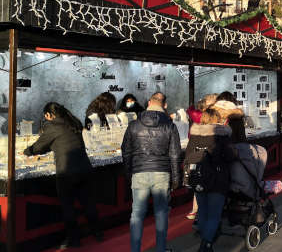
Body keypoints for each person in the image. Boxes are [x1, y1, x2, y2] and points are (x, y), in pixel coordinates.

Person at [23, 102, 102, 249]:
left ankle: (74, 239)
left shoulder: (52, 126)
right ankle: (97, 233)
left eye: (45, 117)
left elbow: (40, 146)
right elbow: (57, 144)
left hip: (67, 172)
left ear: (49, 115)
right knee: (88, 203)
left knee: (68, 207)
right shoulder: (73, 122)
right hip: (85, 169)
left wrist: (26, 152)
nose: (46, 119)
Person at [121, 92, 182, 252]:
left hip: (139, 171)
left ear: (149, 102)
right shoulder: (169, 125)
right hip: (161, 172)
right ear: (165, 105)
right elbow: (175, 154)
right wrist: (176, 178)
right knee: (161, 213)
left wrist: (128, 174)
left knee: (137, 214)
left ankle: (135, 249)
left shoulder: (134, 124)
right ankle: (160, 249)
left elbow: (126, 151)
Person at [184, 108, 236, 252]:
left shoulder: (194, 135)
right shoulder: (221, 135)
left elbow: (188, 155)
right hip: (217, 179)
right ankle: (206, 244)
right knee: (214, 215)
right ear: (216, 119)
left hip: (198, 179)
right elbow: (230, 156)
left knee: (202, 212)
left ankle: (206, 243)